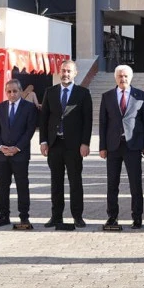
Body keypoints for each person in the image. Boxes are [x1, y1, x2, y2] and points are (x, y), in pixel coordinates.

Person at [39, 61, 93, 228]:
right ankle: (56, 216)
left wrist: (85, 143)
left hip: (74, 146)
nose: (65, 74)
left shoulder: (83, 93)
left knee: (75, 182)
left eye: (69, 71)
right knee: (56, 182)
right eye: (63, 71)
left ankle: (77, 216)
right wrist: (43, 141)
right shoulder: (50, 92)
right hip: (54, 144)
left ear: (75, 73)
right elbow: (44, 118)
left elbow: (88, 120)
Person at [98, 65, 144, 229]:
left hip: (133, 145)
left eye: (126, 76)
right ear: (116, 78)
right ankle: (112, 216)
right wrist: (102, 147)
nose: (123, 79)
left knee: (135, 183)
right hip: (113, 146)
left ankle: (137, 217)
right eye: (120, 76)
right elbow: (103, 123)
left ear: (131, 77)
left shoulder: (140, 95)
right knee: (112, 184)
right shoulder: (107, 96)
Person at [0, 78, 39, 227]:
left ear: (21, 91)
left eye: (15, 91)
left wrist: (17, 147)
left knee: (22, 186)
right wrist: (0, 147)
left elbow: (29, 130)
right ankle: (3, 216)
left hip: (20, 154)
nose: (12, 94)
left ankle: (24, 216)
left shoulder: (29, 107)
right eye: (9, 91)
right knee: (3, 186)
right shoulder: (0, 107)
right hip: (3, 155)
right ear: (6, 92)